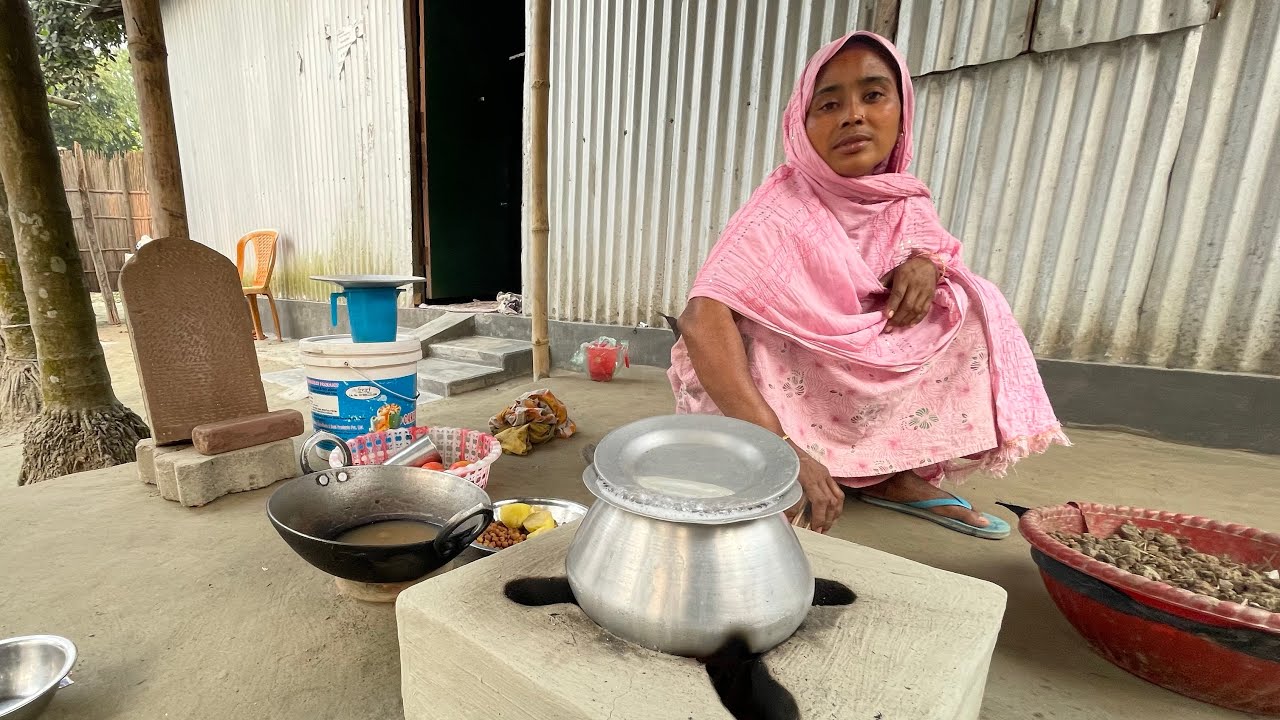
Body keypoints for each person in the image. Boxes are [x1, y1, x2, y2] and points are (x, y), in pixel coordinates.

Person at [669, 31, 1068, 539]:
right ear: (801, 126)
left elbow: (935, 249)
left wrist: (928, 264)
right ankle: (782, 459)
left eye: (873, 95)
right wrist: (780, 450)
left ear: (902, 112)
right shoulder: (780, 210)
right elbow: (701, 321)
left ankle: (889, 473)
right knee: (752, 328)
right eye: (828, 104)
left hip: (847, 376)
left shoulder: (904, 199)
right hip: (783, 402)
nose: (853, 116)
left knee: (969, 302)